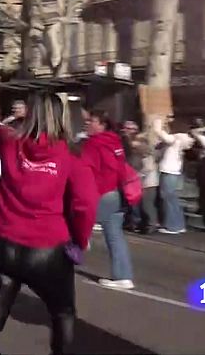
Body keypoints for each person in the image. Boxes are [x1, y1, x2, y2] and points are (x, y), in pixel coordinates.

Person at [0, 53, 99, 355]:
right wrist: (80, 241)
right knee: (63, 315)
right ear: (62, 118)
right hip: (47, 252)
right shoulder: (72, 156)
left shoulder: (10, 141)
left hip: (0, 246)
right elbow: (85, 205)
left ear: (32, 114)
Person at [82, 110, 135, 290]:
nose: (87, 123)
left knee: (73, 224)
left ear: (102, 125)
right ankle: (123, 276)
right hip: (119, 192)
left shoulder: (94, 143)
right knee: (114, 235)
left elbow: (87, 170)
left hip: (104, 193)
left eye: (92, 121)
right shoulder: (115, 141)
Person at [153, 118, 194, 234]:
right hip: (173, 171)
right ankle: (179, 224)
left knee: (168, 198)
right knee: (173, 199)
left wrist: (159, 120)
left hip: (169, 171)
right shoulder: (182, 139)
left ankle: (173, 226)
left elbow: (159, 132)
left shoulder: (177, 138)